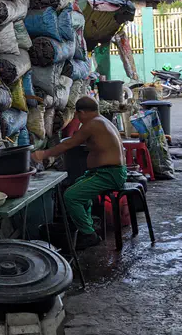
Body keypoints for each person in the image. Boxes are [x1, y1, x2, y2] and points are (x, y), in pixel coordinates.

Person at [33, 96, 126, 249]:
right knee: (79, 191)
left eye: (77, 115)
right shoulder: (103, 121)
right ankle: (88, 226)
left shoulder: (92, 124)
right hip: (107, 172)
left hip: (108, 174)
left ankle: (89, 234)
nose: (78, 118)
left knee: (71, 196)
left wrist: (43, 154)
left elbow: (69, 144)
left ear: (81, 112)